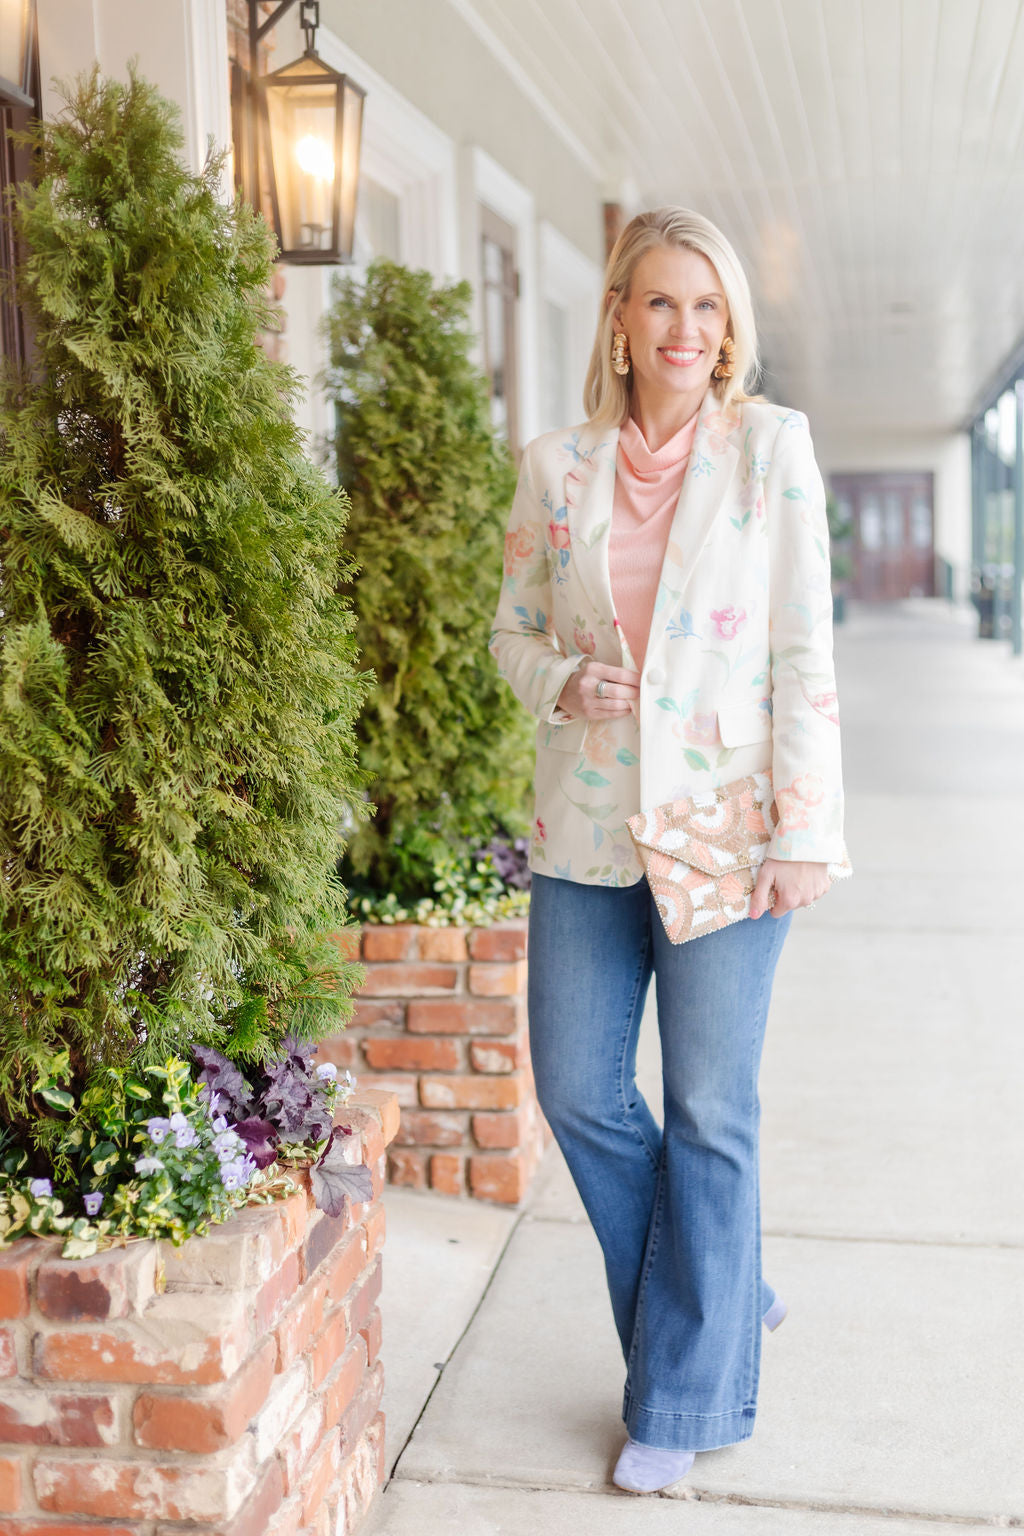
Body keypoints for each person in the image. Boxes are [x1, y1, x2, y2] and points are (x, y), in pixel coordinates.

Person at [490, 207, 850, 1494]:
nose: (686, 330)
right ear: (620, 320)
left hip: (733, 832)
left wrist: (805, 832)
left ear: (729, 329)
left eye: (708, 307)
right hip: (587, 825)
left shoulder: (770, 451)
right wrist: (558, 683)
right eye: (660, 304)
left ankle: (681, 1405)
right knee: (581, 1088)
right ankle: (727, 1288)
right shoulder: (555, 468)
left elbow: (804, 645)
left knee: (709, 1111)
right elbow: (513, 632)